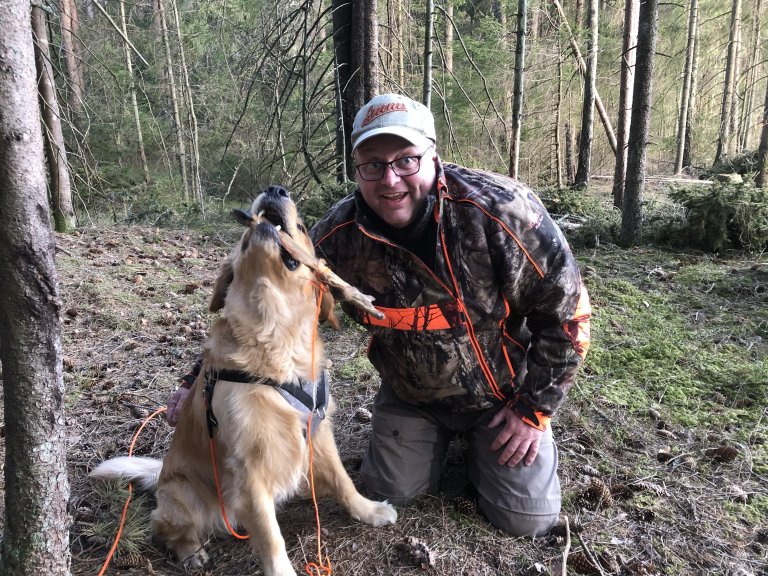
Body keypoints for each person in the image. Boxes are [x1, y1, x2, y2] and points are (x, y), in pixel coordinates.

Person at [168, 93, 591, 537]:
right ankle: (444, 444)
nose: (389, 179)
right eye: (373, 164)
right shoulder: (335, 238)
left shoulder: (503, 212)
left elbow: (569, 317)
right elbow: (267, 310)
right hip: (412, 397)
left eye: (406, 160)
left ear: (433, 156)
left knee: (527, 521)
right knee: (390, 490)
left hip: (505, 397)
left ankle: (485, 448)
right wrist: (197, 381)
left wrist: (532, 409)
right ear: (357, 170)